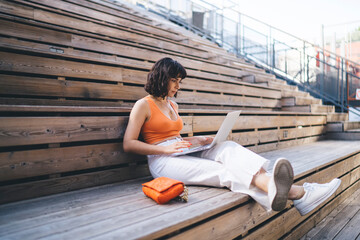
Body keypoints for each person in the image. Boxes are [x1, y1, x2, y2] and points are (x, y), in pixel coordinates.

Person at [123, 57, 341, 215]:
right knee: (224, 170)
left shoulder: (173, 104)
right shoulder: (143, 105)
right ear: (162, 77)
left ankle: (281, 190)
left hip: (181, 149)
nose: (178, 86)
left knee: (228, 148)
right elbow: (129, 144)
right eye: (174, 80)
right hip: (162, 161)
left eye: (180, 81)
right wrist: (164, 149)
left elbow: (174, 136)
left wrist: (196, 140)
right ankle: (299, 193)